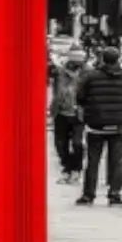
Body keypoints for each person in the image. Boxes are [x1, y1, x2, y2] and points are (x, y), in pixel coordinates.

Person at [74, 40, 122, 206]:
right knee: (117, 161)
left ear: (102, 59)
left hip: (96, 124)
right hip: (118, 124)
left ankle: (89, 194)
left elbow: (80, 96)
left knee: (93, 160)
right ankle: (115, 193)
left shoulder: (91, 76)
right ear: (118, 59)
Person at [48, 43, 87, 181]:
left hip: (79, 114)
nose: (77, 63)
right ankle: (67, 167)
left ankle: (76, 169)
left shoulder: (87, 72)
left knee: (77, 143)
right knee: (61, 144)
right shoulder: (59, 71)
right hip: (61, 112)